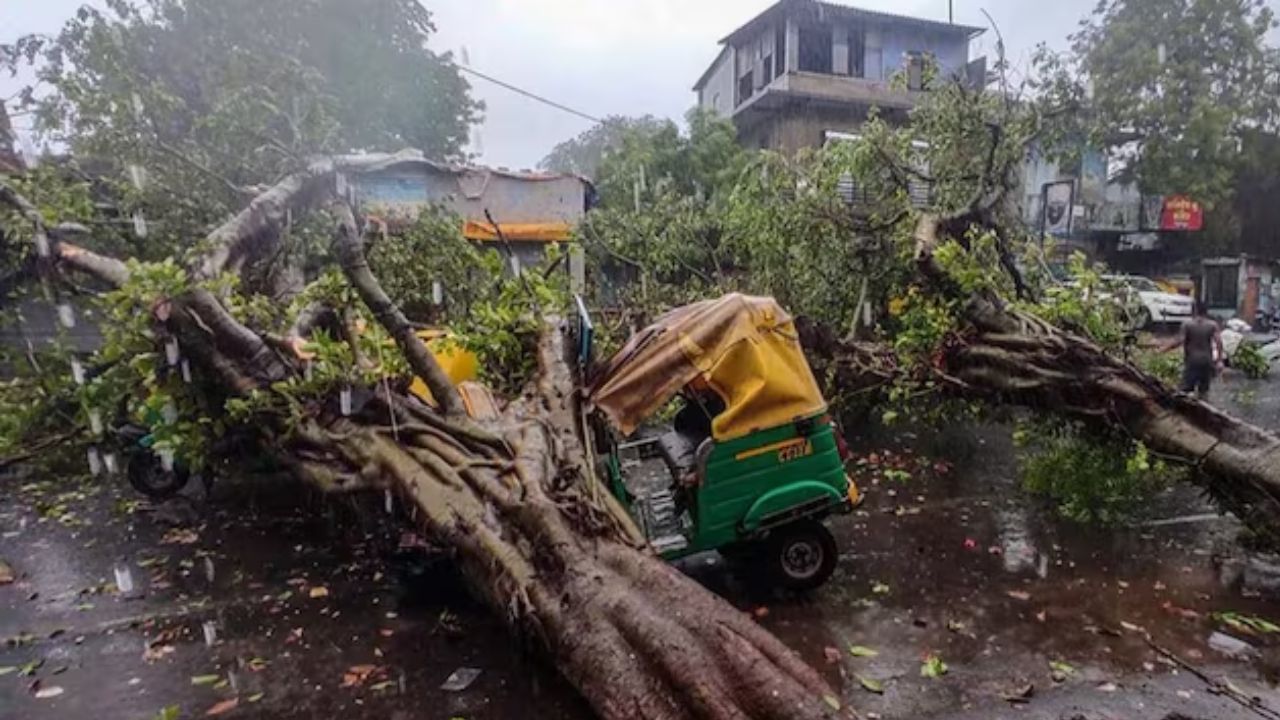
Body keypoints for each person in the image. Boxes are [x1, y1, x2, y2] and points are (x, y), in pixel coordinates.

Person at [1162, 302, 1224, 397]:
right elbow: (1219, 342)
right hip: (1207, 361)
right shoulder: (1212, 325)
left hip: (1192, 361)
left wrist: (1164, 349)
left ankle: (1183, 410)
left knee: (1185, 390)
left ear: (1194, 311)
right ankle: (1204, 407)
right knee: (1204, 391)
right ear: (1206, 311)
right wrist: (1219, 360)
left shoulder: (1187, 324)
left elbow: (1180, 340)